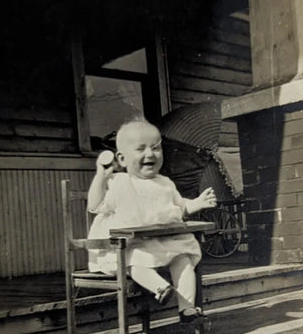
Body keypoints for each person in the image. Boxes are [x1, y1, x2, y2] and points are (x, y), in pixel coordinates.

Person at [87, 118, 217, 323]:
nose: (150, 154)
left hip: (161, 243)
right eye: (140, 149)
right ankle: (160, 288)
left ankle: (187, 309)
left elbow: (180, 207)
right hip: (128, 246)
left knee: (183, 259)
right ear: (121, 159)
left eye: (156, 148)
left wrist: (197, 203)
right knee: (136, 260)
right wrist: (100, 177)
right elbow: (94, 206)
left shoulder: (165, 183)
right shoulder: (119, 183)